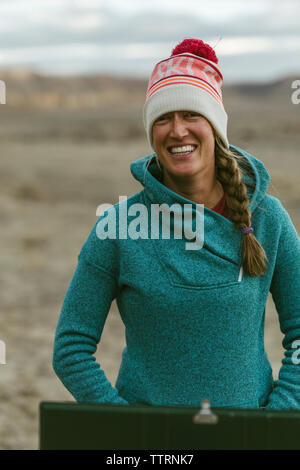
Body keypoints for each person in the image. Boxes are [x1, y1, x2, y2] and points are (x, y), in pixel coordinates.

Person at [52, 38, 300, 409]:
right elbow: (71, 348)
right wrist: (125, 424)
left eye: (191, 115)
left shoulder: (267, 219)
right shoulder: (119, 227)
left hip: (246, 439)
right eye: (163, 118)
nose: (178, 130)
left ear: (215, 128)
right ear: (152, 133)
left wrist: (276, 415)